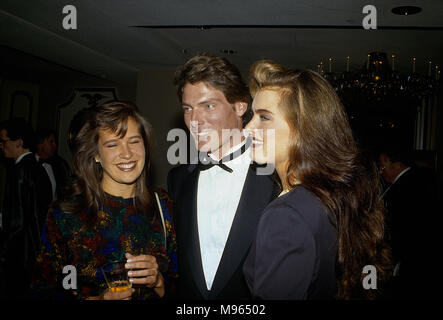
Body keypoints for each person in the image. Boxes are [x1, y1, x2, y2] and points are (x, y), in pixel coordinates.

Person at [242, 60, 392, 300]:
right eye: (252, 115)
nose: (248, 128)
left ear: (304, 128)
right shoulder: (333, 194)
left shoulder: (287, 214)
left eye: (264, 117)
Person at [31, 101, 177, 300]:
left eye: (134, 141)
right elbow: (45, 291)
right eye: (112, 144)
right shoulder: (66, 215)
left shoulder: (163, 205)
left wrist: (159, 281)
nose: (127, 154)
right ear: (96, 154)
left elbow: (183, 285)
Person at [168, 53, 277, 300]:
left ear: (240, 106)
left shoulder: (277, 178)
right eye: (188, 108)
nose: (194, 120)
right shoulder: (177, 179)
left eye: (208, 105)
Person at [0, 118, 53, 298]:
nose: (1, 146)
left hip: (20, 253)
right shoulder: (38, 169)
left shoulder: (19, 171)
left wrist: (4, 250)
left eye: (4, 141)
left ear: (19, 142)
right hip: (37, 249)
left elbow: (17, 219)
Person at [378, 148, 439, 298]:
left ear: (397, 165)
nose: (380, 172)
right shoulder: (426, 177)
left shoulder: (400, 190)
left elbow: (395, 232)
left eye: (382, 166)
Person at [35, 129, 72, 201]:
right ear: (40, 144)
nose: (55, 145)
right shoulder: (29, 165)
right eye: (51, 142)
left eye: (55, 142)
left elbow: (65, 189)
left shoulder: (60, 164)